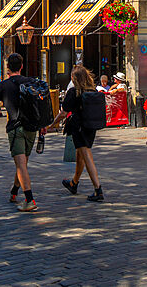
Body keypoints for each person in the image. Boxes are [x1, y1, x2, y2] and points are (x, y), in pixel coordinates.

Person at [0, 52, 38, 212]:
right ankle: (14, 191)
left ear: (7, 68)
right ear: (22, 66)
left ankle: (29, 199)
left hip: (16, 127)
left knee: (20, 164)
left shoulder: (3, 85)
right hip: (31, 127)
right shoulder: (31, 82)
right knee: (22, 163)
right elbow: (38, 105)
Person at [53, 66, 105, 202]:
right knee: (80, 154)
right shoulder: (92, 90)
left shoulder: (74, 92)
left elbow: (63, 113)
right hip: (91, 126)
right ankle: (74, 183)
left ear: (73, 78)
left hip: (79, 127)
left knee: (86, 154)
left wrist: (52, 124)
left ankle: (98, 189)